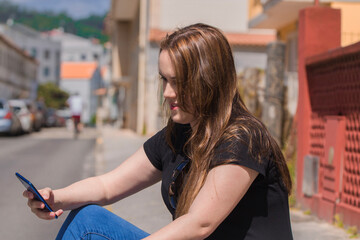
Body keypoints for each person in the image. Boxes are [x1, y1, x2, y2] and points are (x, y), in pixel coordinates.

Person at [24, 23, 293, 239]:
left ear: (208, 80)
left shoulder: (242, 138)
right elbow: (108, 185)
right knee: (87, 219)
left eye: (178, 82)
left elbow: (200, 224)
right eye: (165, 79)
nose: (167, 93)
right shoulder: (180, 133)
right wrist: (55, 197)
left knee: (89, 224)